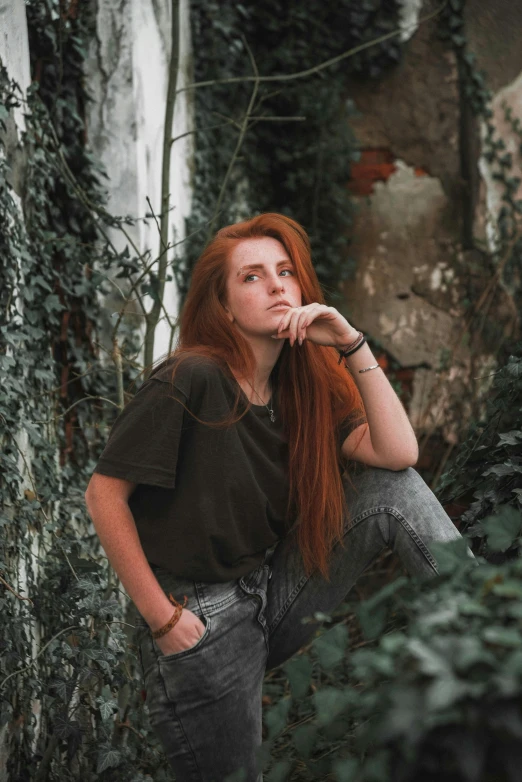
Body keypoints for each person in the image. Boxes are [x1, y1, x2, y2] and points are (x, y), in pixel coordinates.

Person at [85, 213, 477, 782]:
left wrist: (350, 343)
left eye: (286, 271)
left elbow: (399, 455)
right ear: (222, 307)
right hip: (200, 618)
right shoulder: (192, 376)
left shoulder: (302, 382)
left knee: (394, 490)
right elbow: (104, 496)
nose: (275, 286)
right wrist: (164, 620)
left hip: (269, 592)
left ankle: (486, 636)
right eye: (252, 277)